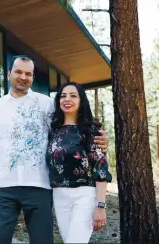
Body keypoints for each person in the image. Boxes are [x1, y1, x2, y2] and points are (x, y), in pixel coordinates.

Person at [0, 55, 109, 244]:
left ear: (32, 77)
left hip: (39, 186)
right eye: (18, 72)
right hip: (3, 188)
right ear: (8, 74)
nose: (23, 77)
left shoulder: (47, 104)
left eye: (28, 74)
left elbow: (70, 127)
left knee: (42, 240)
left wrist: (99, 137)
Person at [46, 82, 112, 243]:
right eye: (63, 96)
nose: (67, 99)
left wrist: (100, 205)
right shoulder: (53, 130)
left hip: (84, 196)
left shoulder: (90, 130)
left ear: (81, 101)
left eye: (73, 95)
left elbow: (101, 169)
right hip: (59, 195)